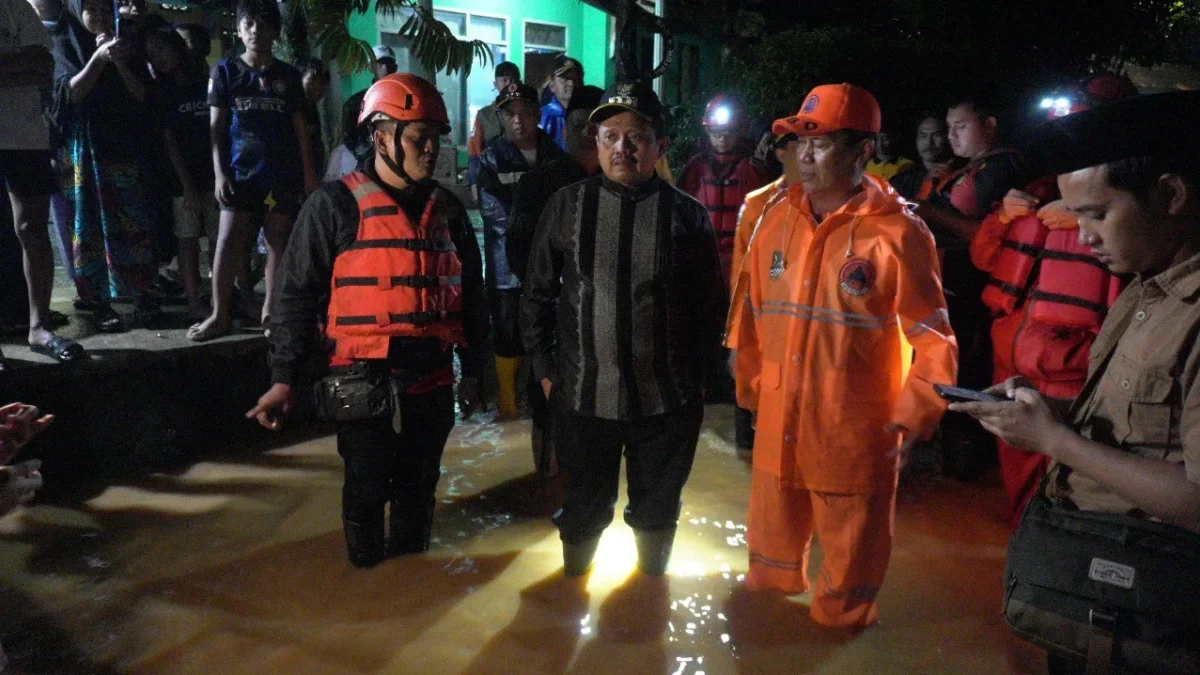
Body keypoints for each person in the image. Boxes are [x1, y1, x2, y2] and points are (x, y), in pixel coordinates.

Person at [950, 90, 1200, 675]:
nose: (1083, 237)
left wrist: (1057, 442)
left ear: (1170, 195)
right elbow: (1141, 427)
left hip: (1160, 613)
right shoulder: (1145, 289)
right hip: (1105, 590)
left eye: (1097, 214)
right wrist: (1047, 412)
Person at [726, 83, 957, 629]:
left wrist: (913, 420)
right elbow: (750, 311)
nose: (804, 155)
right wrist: (750, 387)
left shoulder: (899, 233)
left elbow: (934, 338)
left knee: (846, 594)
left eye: (823, 142)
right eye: (800, 140)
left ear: (862, 151)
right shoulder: (770, 219)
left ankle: (840, 632)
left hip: (854, 430)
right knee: (768, 578)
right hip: (779, 419)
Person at [247, 73, 488, 568]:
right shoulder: (332, 206)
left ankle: (406, 587)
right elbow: (295, 296)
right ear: (381, 137)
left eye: (436, 138)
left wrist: (476, 371)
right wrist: (282, 380)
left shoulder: (449, 212)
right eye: (420, 138)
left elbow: (471, 299)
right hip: (362, 385)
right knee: (364, 492)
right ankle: (366, 582)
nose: (432, 151)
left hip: (433, 381)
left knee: (419, 493)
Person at [521, 79, 727, 577]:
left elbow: (712, 309)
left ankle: (649, 600)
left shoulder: (687, 215)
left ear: (660, 146)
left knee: (657, 513)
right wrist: (548, 376)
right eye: (609, 135)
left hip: (667, 405)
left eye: (636, 136)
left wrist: (700, 384)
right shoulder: (567, 206)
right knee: (582, 514)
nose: (622, 148)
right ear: (595, 143)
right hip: (584, 399)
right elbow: (537, 297)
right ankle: (573, 601)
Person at [970, 74, 1136, 529]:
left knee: (1066, 495)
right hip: (1012, 357)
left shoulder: (1137, 201)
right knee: (1018, 487)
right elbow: (983, 257)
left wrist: (1089, 210)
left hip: (1072, 370)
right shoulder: (1036, 189)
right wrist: (1002, 217)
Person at [189, 0, 318, 341]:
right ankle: (219, 314)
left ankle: (271, 314)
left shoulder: (288, 76)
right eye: (249, 24)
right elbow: (216, 128)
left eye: (263, 24)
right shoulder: (225, 72)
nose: (256, 31)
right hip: (239, 174)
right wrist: (219, 173)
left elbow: (300, 129)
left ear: (276, 31)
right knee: (228, 241)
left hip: (280, 176)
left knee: (278, 242)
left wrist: (308, 176)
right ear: (240, 28)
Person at [915, 96, 1028, 478]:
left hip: (977, 284)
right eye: (949, 128)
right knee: (946, 361)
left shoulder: (1005, 168)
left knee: (968, 366)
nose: (951, 135)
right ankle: (946, 447)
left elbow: (988, 234)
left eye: (961, 126)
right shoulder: (964, 169)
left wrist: (928, 211)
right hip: (948, 281)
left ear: (990, 125)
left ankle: (966, 459)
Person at [49, 0, 159, 333]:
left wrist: (121, 62)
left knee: (132, 219)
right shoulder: (64, 42)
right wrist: (98, 60)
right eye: (89, 8)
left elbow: (143, 95)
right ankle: (97, 301)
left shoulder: (128, 42)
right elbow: (70, 93)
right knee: (88, 225)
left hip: (122, 143)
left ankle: (141, 293)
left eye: (102, 7)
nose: (97, 16)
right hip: (84, 148)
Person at [0, 0, 86, 368]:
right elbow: (27, 64)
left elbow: (41, 64)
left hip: (25, 134)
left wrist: (20, 66)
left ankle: (39, 326)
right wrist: (14, 63)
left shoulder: (14, 6)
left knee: (32, 228)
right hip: (23, 131)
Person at [477, 82, 565, 419]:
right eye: (510, 114)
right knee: (507, 333)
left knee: (544, 331)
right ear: (500, 118)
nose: (518, 121)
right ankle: (508, 405)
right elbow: (494, 213)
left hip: (549, 267)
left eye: (525, 113)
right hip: (504, 268)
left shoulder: (555, 157)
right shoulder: (491, 159)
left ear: (537, 115)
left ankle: (538, 398)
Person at [726, 132, 800, 454]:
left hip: (799, 339)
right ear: (781, 152)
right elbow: (741, 279)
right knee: (749, 438)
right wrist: (735, 341)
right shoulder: (758, 205)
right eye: (800, 146)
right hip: (759, 330)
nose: (809, 156)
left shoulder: (835, 207)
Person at [145, 28, 217, 321]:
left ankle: (218, 295)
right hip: (182, 179)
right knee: (187, 240)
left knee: (217, 237)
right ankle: (193, 299)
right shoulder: (162, 91)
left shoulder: (204, 82)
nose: (160, 58)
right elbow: (169, 140)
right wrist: (186, 183)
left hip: (213, 174)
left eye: (163, 49)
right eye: (152, 54)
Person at [679, 94, 769, 289]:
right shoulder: (695, 167)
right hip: (701, 262)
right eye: (716, 132)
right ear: (708, 131)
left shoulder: (755, 168)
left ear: (741, 131)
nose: (722, 138)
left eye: (729, 132)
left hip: (743, 262)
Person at [339, 44, 397, 168]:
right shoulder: (355, 103)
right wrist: (365, 154)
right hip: (369, 167)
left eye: (389, 63)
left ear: (395, 67)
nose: (386, 68)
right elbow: (349, 137)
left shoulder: (404, 99)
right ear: (371, 68)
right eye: (380, 64)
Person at [466, 61, 520, 183]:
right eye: (504, 80)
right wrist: (475, 184)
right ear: (495, 84)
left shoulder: (526, 112)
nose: (509, 85)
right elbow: (474, 151)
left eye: (513, 80)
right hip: (493, 180)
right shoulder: (484, 115)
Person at [890, 114, 957, 201]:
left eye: (936, 135)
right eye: (923, 136)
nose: (929, 142)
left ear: (948, 136)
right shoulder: (901, 181)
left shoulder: (961, 177)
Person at [538, 54, 583, 152]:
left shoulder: (588, 115)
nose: (571, 84)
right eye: (565, 79)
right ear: (552, 86)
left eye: (577, 79)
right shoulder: (542, 117)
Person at [298, 57, 329, 178]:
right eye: (311, 81)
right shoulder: (293, 108)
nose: (317, 89)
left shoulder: (312, 107)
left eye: (322, 84)